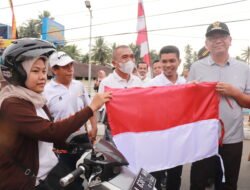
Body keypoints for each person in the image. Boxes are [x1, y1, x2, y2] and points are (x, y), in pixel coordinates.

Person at [0, 38, 112, 190]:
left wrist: (76, 149)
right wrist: (90, 108)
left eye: (44, 71)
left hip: (48, 172)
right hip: (26, 182)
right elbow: (50, 131)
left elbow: (45, 139)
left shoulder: (35, 99)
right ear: (19, 73)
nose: (42, 77)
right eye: (35, 71)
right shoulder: (13, 104)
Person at [188, 21, 250, 190]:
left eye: (222, 36)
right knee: (198, 182)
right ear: (206, 43)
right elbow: (188, 102)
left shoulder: (244, 69)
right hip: (203, 138)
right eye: (212, 37)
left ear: (230, 40)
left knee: (228, 184)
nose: (218, 40)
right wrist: (193, 91)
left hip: (232, 138)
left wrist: (235, 92)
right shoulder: (196, 67)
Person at [43, 51, 98, 171]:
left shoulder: (79, 85)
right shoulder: (46, 91)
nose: (70, 69)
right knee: (65, 176)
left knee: (86, 172)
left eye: (71, 65)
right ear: (54, 70)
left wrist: (94, 127)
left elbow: (89, 107)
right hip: (62, 142)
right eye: (65, 66)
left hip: (82, 139)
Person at [145, 45, 185, 190]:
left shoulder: (186, 84)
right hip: (157, 141)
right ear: (160, 63)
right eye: (164, 61)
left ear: (179, 61)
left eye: (172, 61)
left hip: (178, 142)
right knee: (155, 177)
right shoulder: (151, 86)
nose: (168, 65)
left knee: (175, 177)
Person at [98, 45, 141, 141]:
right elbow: (102, 111)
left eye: (131, 56)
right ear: (114, 63)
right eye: (125, 57)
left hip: (135, 132)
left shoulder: (138, 81)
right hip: (115, 134)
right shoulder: (106, 83)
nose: (130, 60)